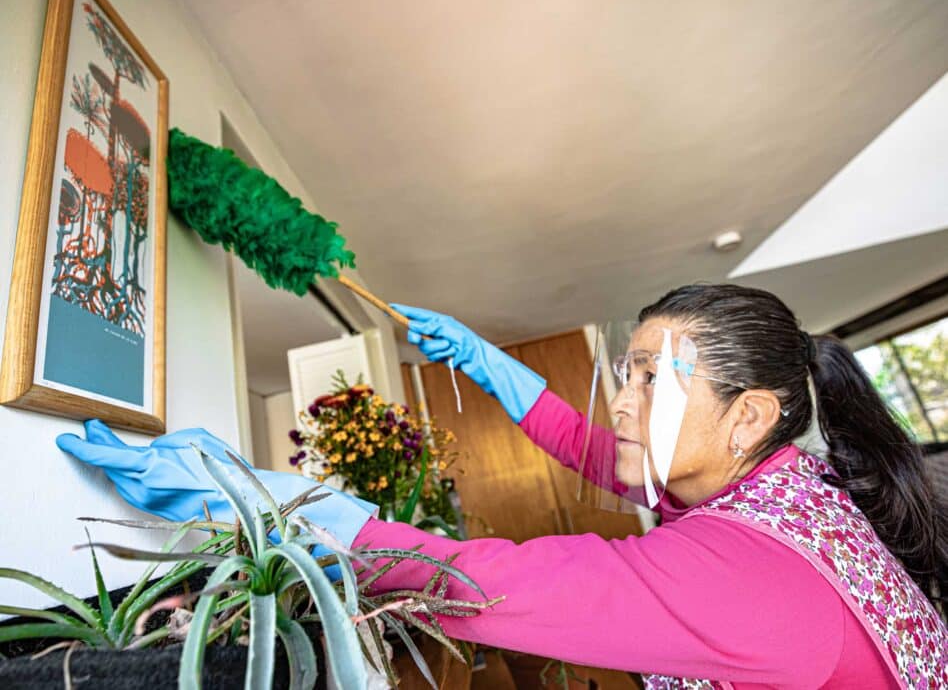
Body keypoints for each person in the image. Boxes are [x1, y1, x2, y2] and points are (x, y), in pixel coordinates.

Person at [58, 284, 947, 688]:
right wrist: (485, 362)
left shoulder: (741, 568)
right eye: (625, 375)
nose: (624, 403)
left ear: (749, 415)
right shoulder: (780, 486)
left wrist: (270, 500)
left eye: (648, 379)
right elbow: (589, 444)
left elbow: (485, 583)